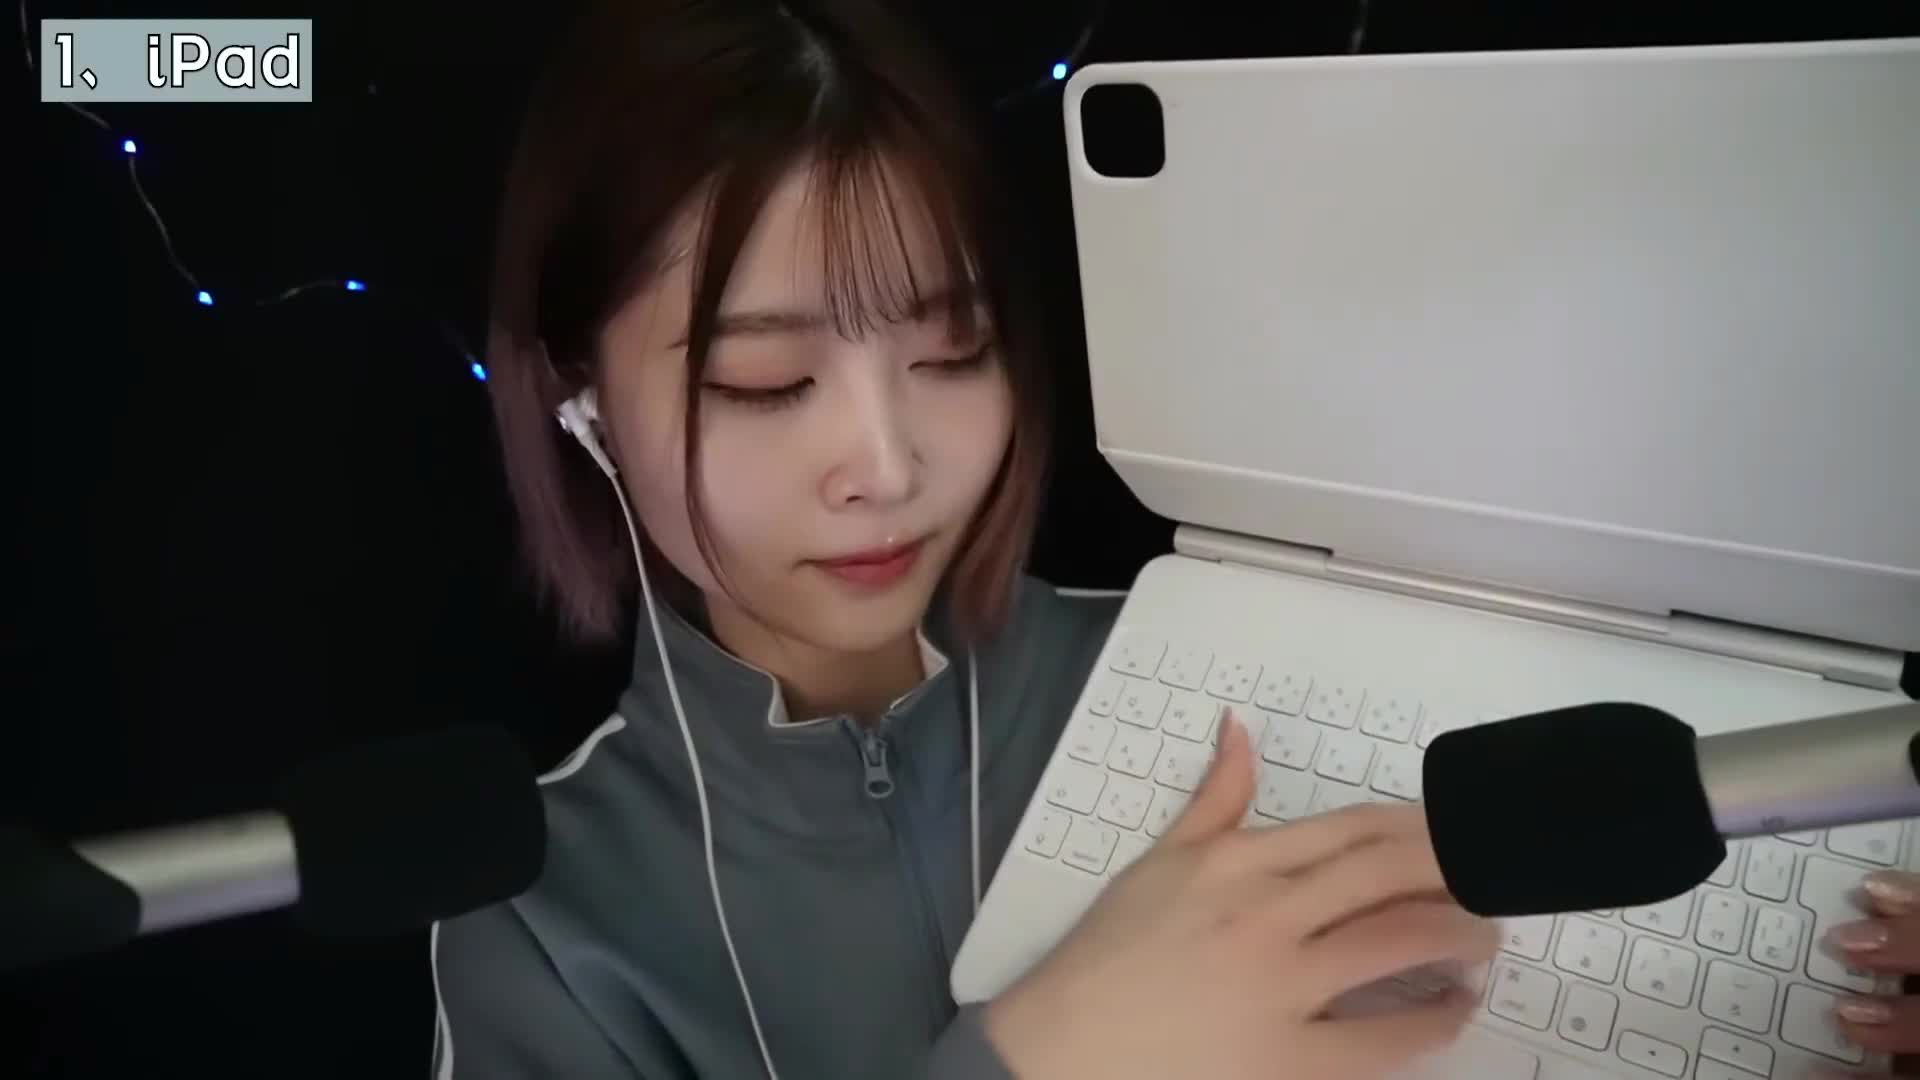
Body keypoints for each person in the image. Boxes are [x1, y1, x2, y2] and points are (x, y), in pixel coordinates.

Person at [427, 2, 1916, 1078]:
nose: (886, 467)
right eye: (765, 383)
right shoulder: (544, 932)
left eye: (952, 354)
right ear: (577, 397)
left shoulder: (1216, 674)